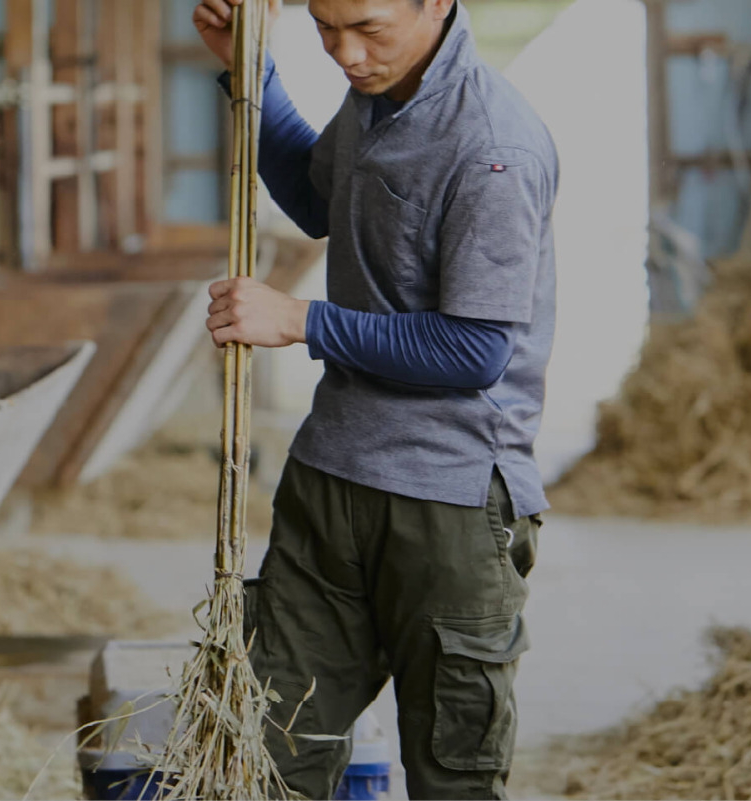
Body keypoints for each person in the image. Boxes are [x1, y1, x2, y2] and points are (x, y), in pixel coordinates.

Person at [192, 0, 557, 798]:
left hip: (448, 504)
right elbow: (319, 196)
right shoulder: (378, 97)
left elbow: (476, 350)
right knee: (268, 744)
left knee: (452, 772)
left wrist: (298, 321)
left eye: (368, 28)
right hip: (332, 476)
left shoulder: (493, 146)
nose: (345, 54)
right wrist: (248, 72)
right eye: (324, 26)